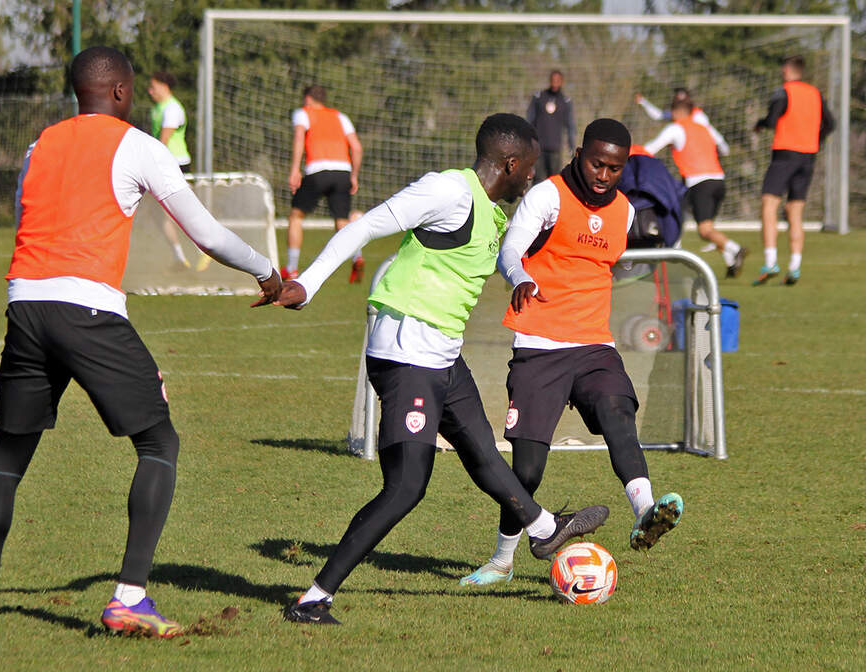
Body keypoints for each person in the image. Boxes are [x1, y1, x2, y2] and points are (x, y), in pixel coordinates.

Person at [0, 46, 281, 637]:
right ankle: (129, 598)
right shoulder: (138, 145)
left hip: (25, 303)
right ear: (119, 93)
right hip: (87, 308)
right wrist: (266, 270)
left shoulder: (39, 146)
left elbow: (24, 222)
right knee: (159, 442)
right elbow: (207, 234)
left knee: (8, 455)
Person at [269, 113, 610, 625]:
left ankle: (544, 531)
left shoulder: (489, 209)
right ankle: (314, 597)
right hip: (407, 352)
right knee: (406, 487)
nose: (532, 179)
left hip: (441, 353)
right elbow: (366, 224)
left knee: (483, 452)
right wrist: (308, 284)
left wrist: (518, 275)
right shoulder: (449, 191)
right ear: (511, 164)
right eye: (530, 169)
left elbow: (495, 257)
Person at [460, 119, 683, 589]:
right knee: (527, 470)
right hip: (539, 346)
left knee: (618, 412)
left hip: (593, 344)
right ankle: (502, 560)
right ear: (580, 154)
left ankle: (645, 510)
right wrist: (520, 277)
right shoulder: (548, 195)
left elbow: (602, 268)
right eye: (597, 163)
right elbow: (511, 250)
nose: (603, 175)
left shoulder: (624, 211)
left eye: (614, 168)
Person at [751, 55, 835, 285]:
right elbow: (831, 124)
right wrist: (815, 138)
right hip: (808, 156)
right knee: (795, 211)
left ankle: (770, 262)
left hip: (785, 153)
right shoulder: (815, 93)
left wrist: (760, 123)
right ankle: (795, 268)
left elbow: (772, 119)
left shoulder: (784, 91)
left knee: (769, 204)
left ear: (788, 70)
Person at [642, 100, 747, 276]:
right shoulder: (703, 127)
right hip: (718, 181)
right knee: (707, 227)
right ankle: (730, 261)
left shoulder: (676, 128)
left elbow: (651, 148)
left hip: (699, 182)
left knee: (692, 223)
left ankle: (734, 249)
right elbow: (723, 147)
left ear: (674, 112)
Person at [283, 85, 364, 283]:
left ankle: (292, 268)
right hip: (342, 172)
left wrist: (295, 169)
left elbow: (300, 138)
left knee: (296, 216)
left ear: (309, 99)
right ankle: (357, 256)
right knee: (342, 221)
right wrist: (354, 175)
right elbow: (357, 147)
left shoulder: (303, 113)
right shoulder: (340, 116)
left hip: (317, 171)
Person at [147, 71, 206, 271]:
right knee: (160, 215)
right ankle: (179, 257)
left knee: (180, 212)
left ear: (164, 86)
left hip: (176, 165)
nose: (150, 91)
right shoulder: (157, 108)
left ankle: (202, 251)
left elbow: (163, 141)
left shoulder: (172, 108)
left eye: (153, 87)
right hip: (162, 165)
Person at [526, 69, 576, 180]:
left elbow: (570, 126)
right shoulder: (539, 97)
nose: (555, 82)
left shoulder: (565, 101)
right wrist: (528, 141)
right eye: (553, 80)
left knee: (553, 180)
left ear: (562, 82)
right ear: (549, 80)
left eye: (558, 80)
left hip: (555, 148)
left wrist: (572, 146)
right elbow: (530, 120)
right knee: (538, 179)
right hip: (539, 147)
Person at [634, 87, 716, 129]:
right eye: (677, 96)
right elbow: (658, 115)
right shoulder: (675, 114)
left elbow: (710, 132)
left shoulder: (698, 115)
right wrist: (643, 101)